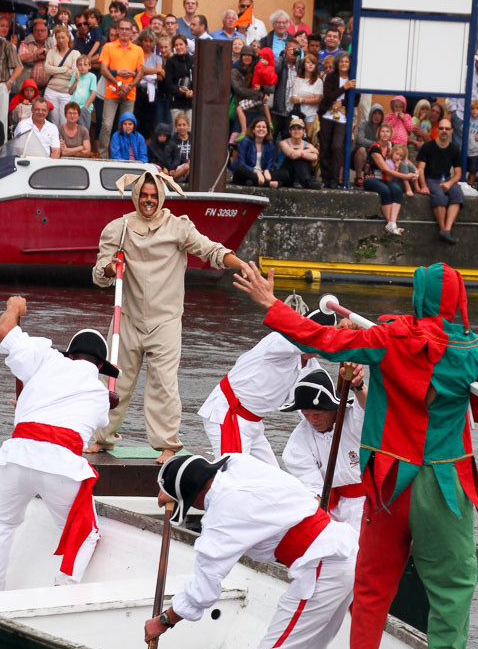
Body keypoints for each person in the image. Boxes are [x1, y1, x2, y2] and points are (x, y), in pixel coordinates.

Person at [234, 260, 478, 649]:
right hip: (446, 483)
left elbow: (324, 339)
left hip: (389, 482)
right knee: (451, 587)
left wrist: (271, 304)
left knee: (372, 583)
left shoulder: (386, 339)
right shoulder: (472, 351)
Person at [144, 453, 357, 649]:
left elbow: (203, 591)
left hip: (322, 564)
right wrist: (173, 489)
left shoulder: (221, 517)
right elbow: (223, 458)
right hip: (346, 551)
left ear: (192, 497)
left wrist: (164, 621)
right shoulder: (241, 465)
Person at [89, 170, 247, 465]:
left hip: (166, 321)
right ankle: (101, 437)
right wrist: (110, 269)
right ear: (136, 196)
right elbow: (100, 275)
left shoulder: (178, 227)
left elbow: (210, 250)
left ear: (161, 197)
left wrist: (240, 265)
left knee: (163, 384)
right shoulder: (118, 229)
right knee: (112, 381)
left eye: (153, 196)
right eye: (143, 196)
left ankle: (167, 445)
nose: (148, 201)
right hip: (127, 318)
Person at [0, 296, 114, 593]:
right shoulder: (100, 393)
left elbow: (4, 331)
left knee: (2, 523)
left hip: (16, 456)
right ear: (101, 365)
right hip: (59, 465)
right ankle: (61, 591)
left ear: (70, 354)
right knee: (86, 533)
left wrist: (14, 308)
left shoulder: (45, 357)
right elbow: (100, 421)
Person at [198, 310, 327, 465]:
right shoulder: (278, 340)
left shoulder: (312, 368)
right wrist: (337, 332)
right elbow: (302, 343)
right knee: (233, 479)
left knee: (272, 481)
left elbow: (320, 401)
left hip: (254, 424)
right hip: (230, 414)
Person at [282, 367, 367, 533]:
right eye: (306, 414)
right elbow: (311, 485)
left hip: (370, 501)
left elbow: (370, 409)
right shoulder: (299, 440)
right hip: (332, 505)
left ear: (332, 408)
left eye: (318, 414)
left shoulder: (353, 418)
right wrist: (320, 513)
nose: (312, 420)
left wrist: (358, 385)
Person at [98, 19, 145, 158]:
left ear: (132, 31)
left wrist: (129, 86)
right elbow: (103, 69)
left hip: (130, 93)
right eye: (122, 29)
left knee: (127, 127)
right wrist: (119, 84)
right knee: (106, 125)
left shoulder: (138, 49)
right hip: (112, 91)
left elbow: (140, 72)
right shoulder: (108, 46)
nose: (124, 31)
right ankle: (103, 157)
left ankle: (125, 157)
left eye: (127, 29)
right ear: (117, 30)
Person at [363, 122, 418, 234]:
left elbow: (405, 159)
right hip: (371, 178)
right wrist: (406, 176)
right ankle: (391, 223)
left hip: (386, 179)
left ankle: (393, 223)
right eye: (382, 131)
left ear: (391, 134)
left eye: (387, 131)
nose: (385, 134)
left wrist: (416, 171)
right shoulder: (375, 148)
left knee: (397, 190)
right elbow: (386, 169)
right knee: (385, 190)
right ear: (379, 133)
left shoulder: (391, 146)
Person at [416, 118, 464, 244]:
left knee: (458, 195)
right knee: (439, 198)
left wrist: (449, 183)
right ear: (437, 130)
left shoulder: (454, 150)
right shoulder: (427, 147)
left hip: (447, 179)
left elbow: (458, 174)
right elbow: (420, 169)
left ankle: (446, 230)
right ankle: (443, 229)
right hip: (431, 178)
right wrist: (424, 185)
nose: (444, 131)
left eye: (447, 129)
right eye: (441, 128)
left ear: (451, 131)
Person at [317, 52, 355, 188]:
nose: (344, 64)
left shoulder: (353, 79)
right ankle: (325, 178)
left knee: (337, 146)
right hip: (327, 114)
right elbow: (327, 96)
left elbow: (356, 100)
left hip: (343, 117)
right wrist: (344, 88)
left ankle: (334, 179)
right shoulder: (331, 77)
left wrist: (342, 103)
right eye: (341, 61)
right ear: (337, 63)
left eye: (346, 61)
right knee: (325, 146)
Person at [44, 26, 80, 126]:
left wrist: (55, 70)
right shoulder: (52, 52)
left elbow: (74, 72)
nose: (60, 40)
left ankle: (62, 141)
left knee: (65, 122)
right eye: (58, 38)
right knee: (52, 121)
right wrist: (64, 69)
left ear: (68, 38)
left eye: (63, 37)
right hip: (51, 90)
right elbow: (47, 69)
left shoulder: (75, 53)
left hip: (66, 92)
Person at [231, 116, 278, 187]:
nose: (261, 129)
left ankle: (254, 182)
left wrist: (267, 170)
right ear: (253, 129)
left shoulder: (269, 144)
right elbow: (241, 163)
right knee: (239, 169)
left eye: (264, 127)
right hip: (247, 172)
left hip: (262, 174)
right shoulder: (245, 141)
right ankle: (267, 184)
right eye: (258, 127)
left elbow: (270, 162)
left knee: (285, 175)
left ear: (267, 130)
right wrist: (256, 171)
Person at [275, 115, 319, 188]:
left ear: (303, 131)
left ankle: (302, 180)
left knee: (301, 157)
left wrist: (301, 153)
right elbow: (292, 155)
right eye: (293, 129)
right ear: (290, 131)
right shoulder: (283, 143)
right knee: (297, 157)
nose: (296, 131)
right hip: (286, 174)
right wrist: (306, 151)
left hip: (300, 174)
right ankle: (307, 182)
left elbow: (315, 156)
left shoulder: (307, 144)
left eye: (299, 129)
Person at [351, 102, 384, 187]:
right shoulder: (363, 123)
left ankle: (373, 177)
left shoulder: (383, 128)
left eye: (379, 114)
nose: (377, 116)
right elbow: (360, 139)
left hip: (375, 155)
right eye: (375, 113)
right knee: (362, 150)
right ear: (371, 114)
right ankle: (358, 177)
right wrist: (375, 143)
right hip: (359, 153)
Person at [165, 34, 194, 129]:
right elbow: (169, 84)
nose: (178, 47)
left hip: (191, 103)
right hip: (176, 102)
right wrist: (182, 93)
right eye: (176, 45)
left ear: (186, 45)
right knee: (177, 131)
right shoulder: (170, 61)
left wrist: (192, 92)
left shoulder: (193, 60)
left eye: (181, 44)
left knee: (189, 131)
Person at [290, 52, 323, 132]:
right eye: (308, 62)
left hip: (311, 114)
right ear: (304, 65)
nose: (311, 65)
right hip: (298, 113)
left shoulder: (318, 81)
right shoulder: (297, 80)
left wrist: (301, 99)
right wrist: (310, 97)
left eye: (313, 63)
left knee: (310, 138)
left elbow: (317, 100)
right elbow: (294, 99)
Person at [17, 18, 50, 95]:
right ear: (33, 32)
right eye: (37, 30)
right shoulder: (25, 43)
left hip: (46, 89)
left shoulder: (51, 42)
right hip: (28, 90)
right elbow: (22, 58)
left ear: (47, 31)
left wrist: (44, 50)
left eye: (42, 30)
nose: (40, 33)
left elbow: (55, 56)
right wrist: (41, 56)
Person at [71, 55, 98, 130]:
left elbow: (93, 93)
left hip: (84, 108)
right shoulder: (75, 75)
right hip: (74, 107)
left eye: (85, 65)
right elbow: (70, 91)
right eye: (80, 65)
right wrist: (76, 80)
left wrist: (85, 107)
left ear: (89, 66)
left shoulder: (92, 77)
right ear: (77, 66)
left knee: (83, 130)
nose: (82, 67)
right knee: (73, 129)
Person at [163, 113, 192, 183]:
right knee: (186, 166)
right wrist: (171, 168)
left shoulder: (193, 138)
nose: (182, 127)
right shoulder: (172, 140)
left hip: (191, 168)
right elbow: (168, 157)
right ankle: (171, 180)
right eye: (179, 125)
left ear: (188, 125)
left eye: (184, 125)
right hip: (177, 169)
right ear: (176, 126)